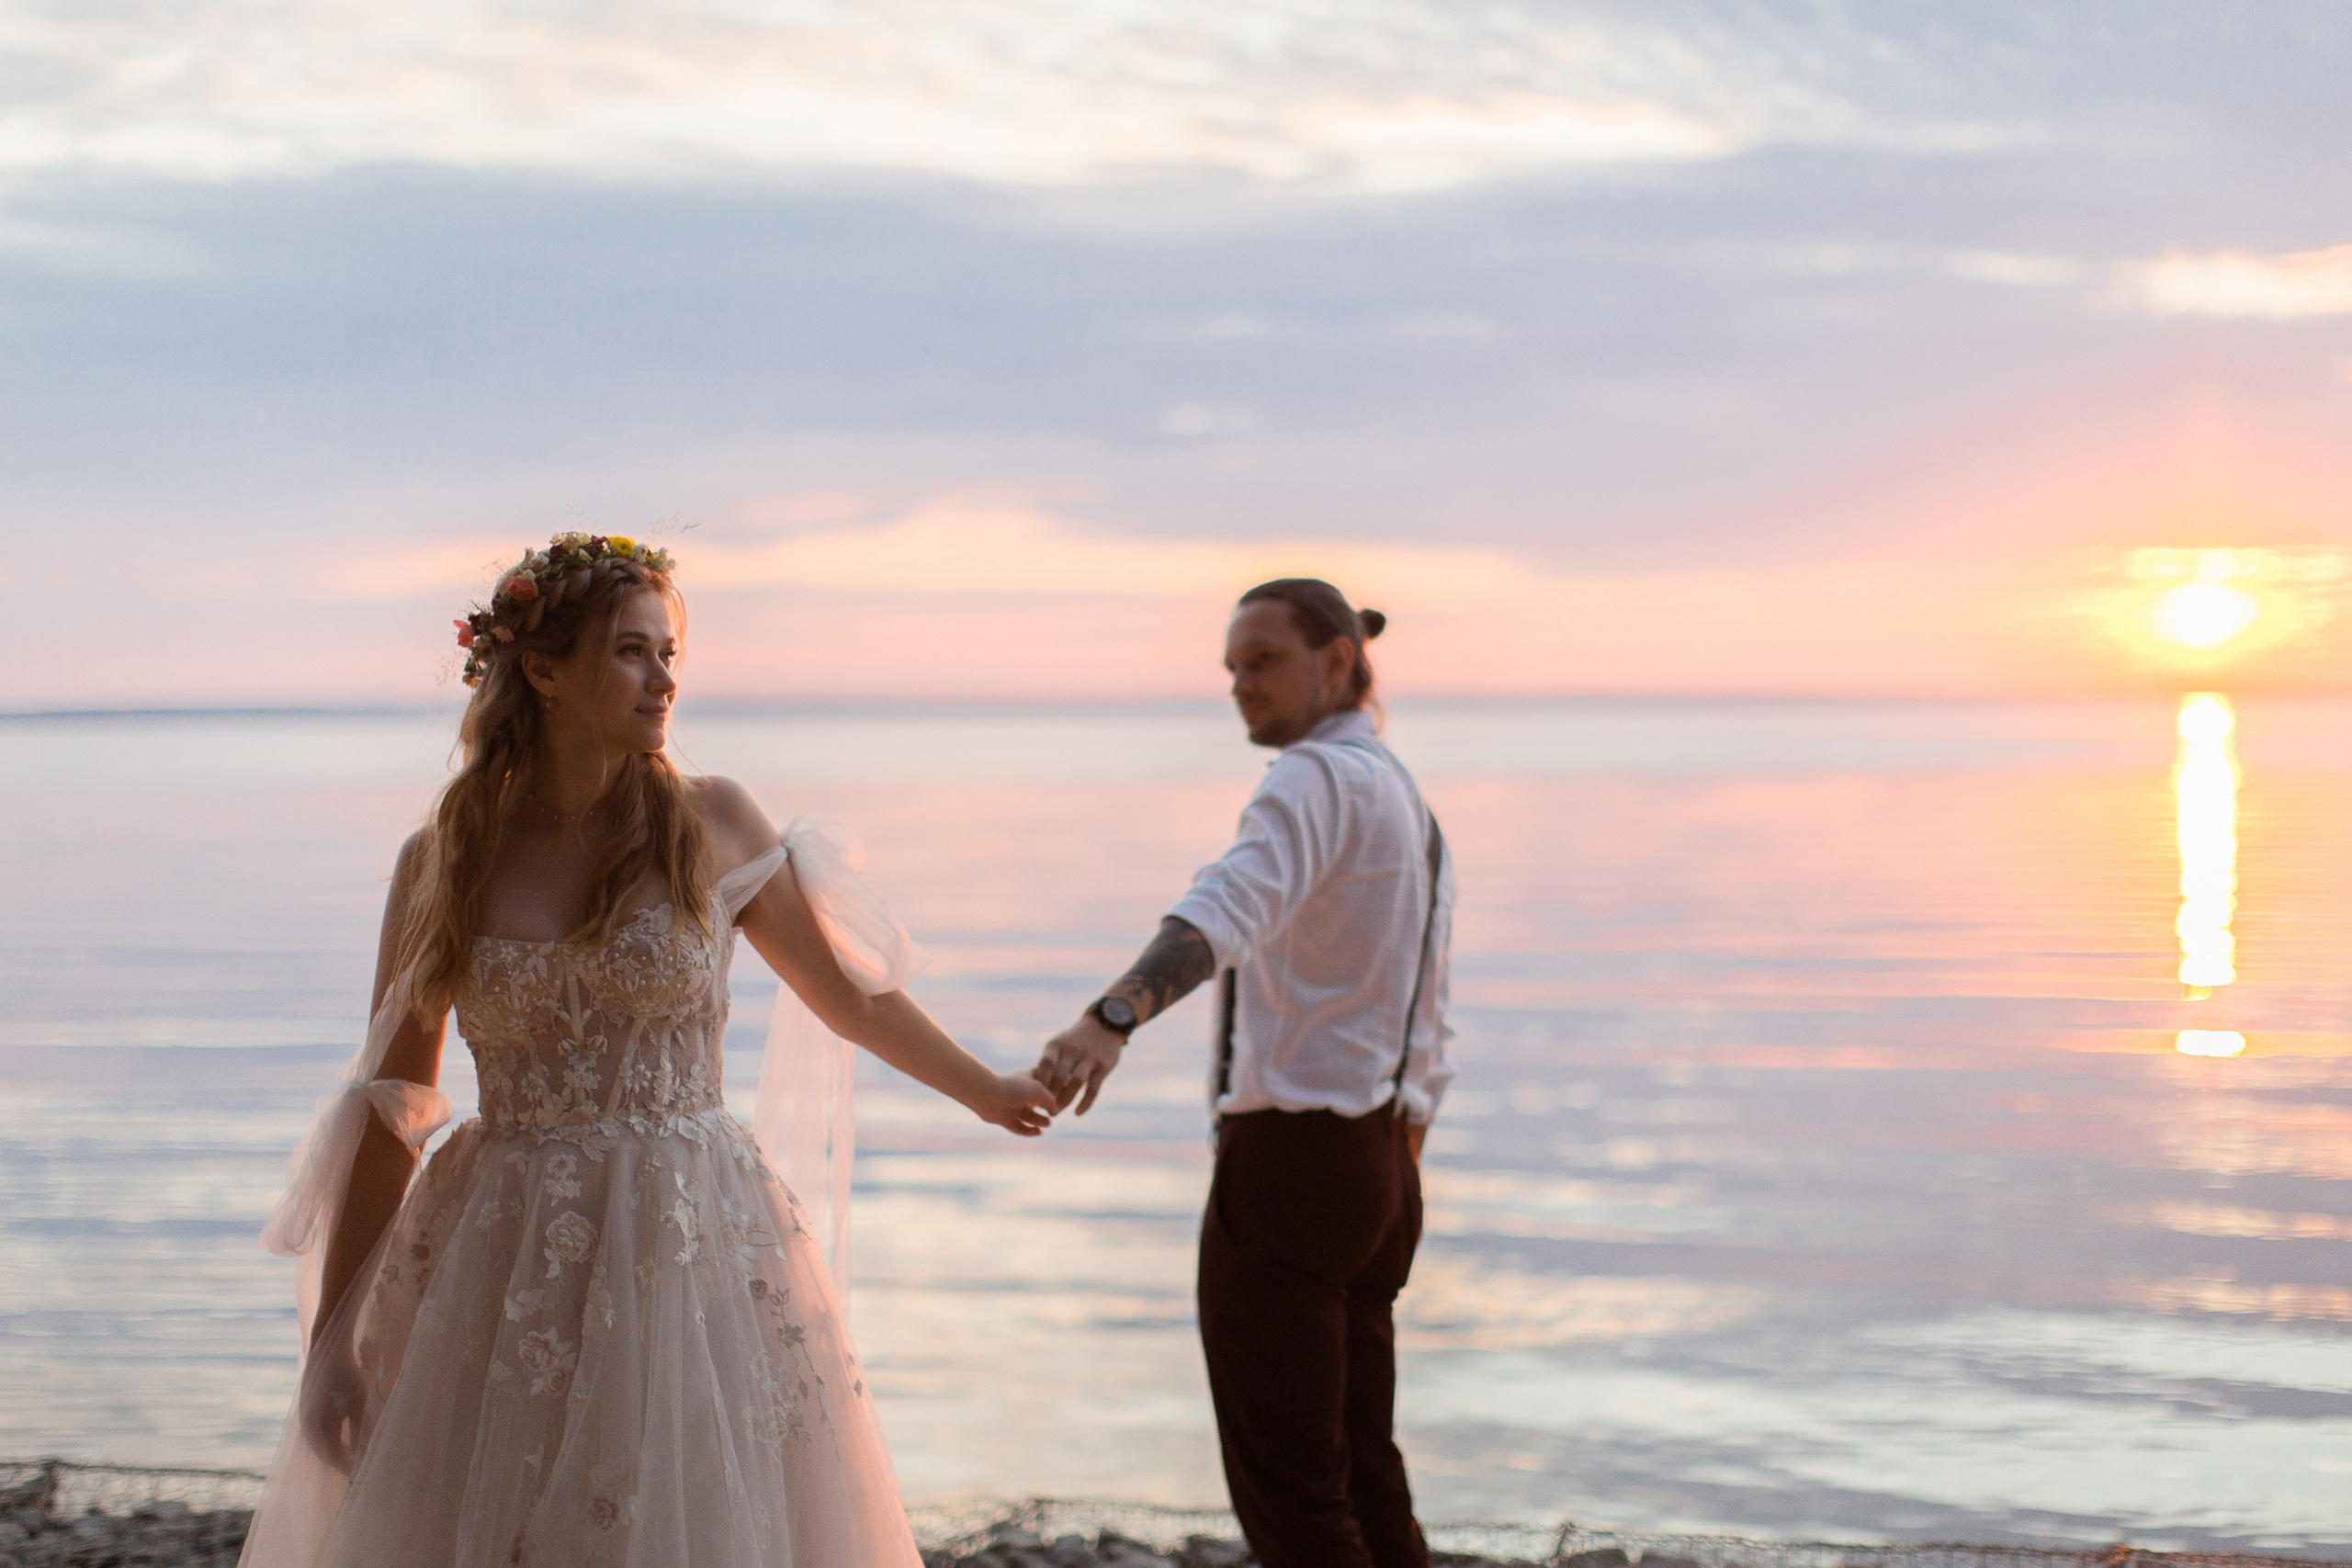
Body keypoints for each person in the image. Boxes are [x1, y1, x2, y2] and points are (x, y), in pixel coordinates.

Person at [240, 532, 1057, 1568]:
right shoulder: (446, 857)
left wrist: (988, 1089)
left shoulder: (713, 820)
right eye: (632, 651)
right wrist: (330, 1348)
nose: (664, 678)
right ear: (543, 670)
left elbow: (852, 1002)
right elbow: (393, 1103)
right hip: (504, 1247)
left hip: (689, 1234)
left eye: (670, 652)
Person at [1036, 578, 1455, 1568]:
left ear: (1339, 659)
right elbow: (1430, 1006)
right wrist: (1396, 1154)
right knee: (1364, 1467)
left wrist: (1112, 1016)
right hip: (1378, 1162)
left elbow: (1226, 905)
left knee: (1293, 1492)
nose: (1239, 684)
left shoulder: (1311, 779)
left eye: (1263, 661)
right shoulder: (1405, 796)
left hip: (1294, 1164)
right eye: (1231, 667)